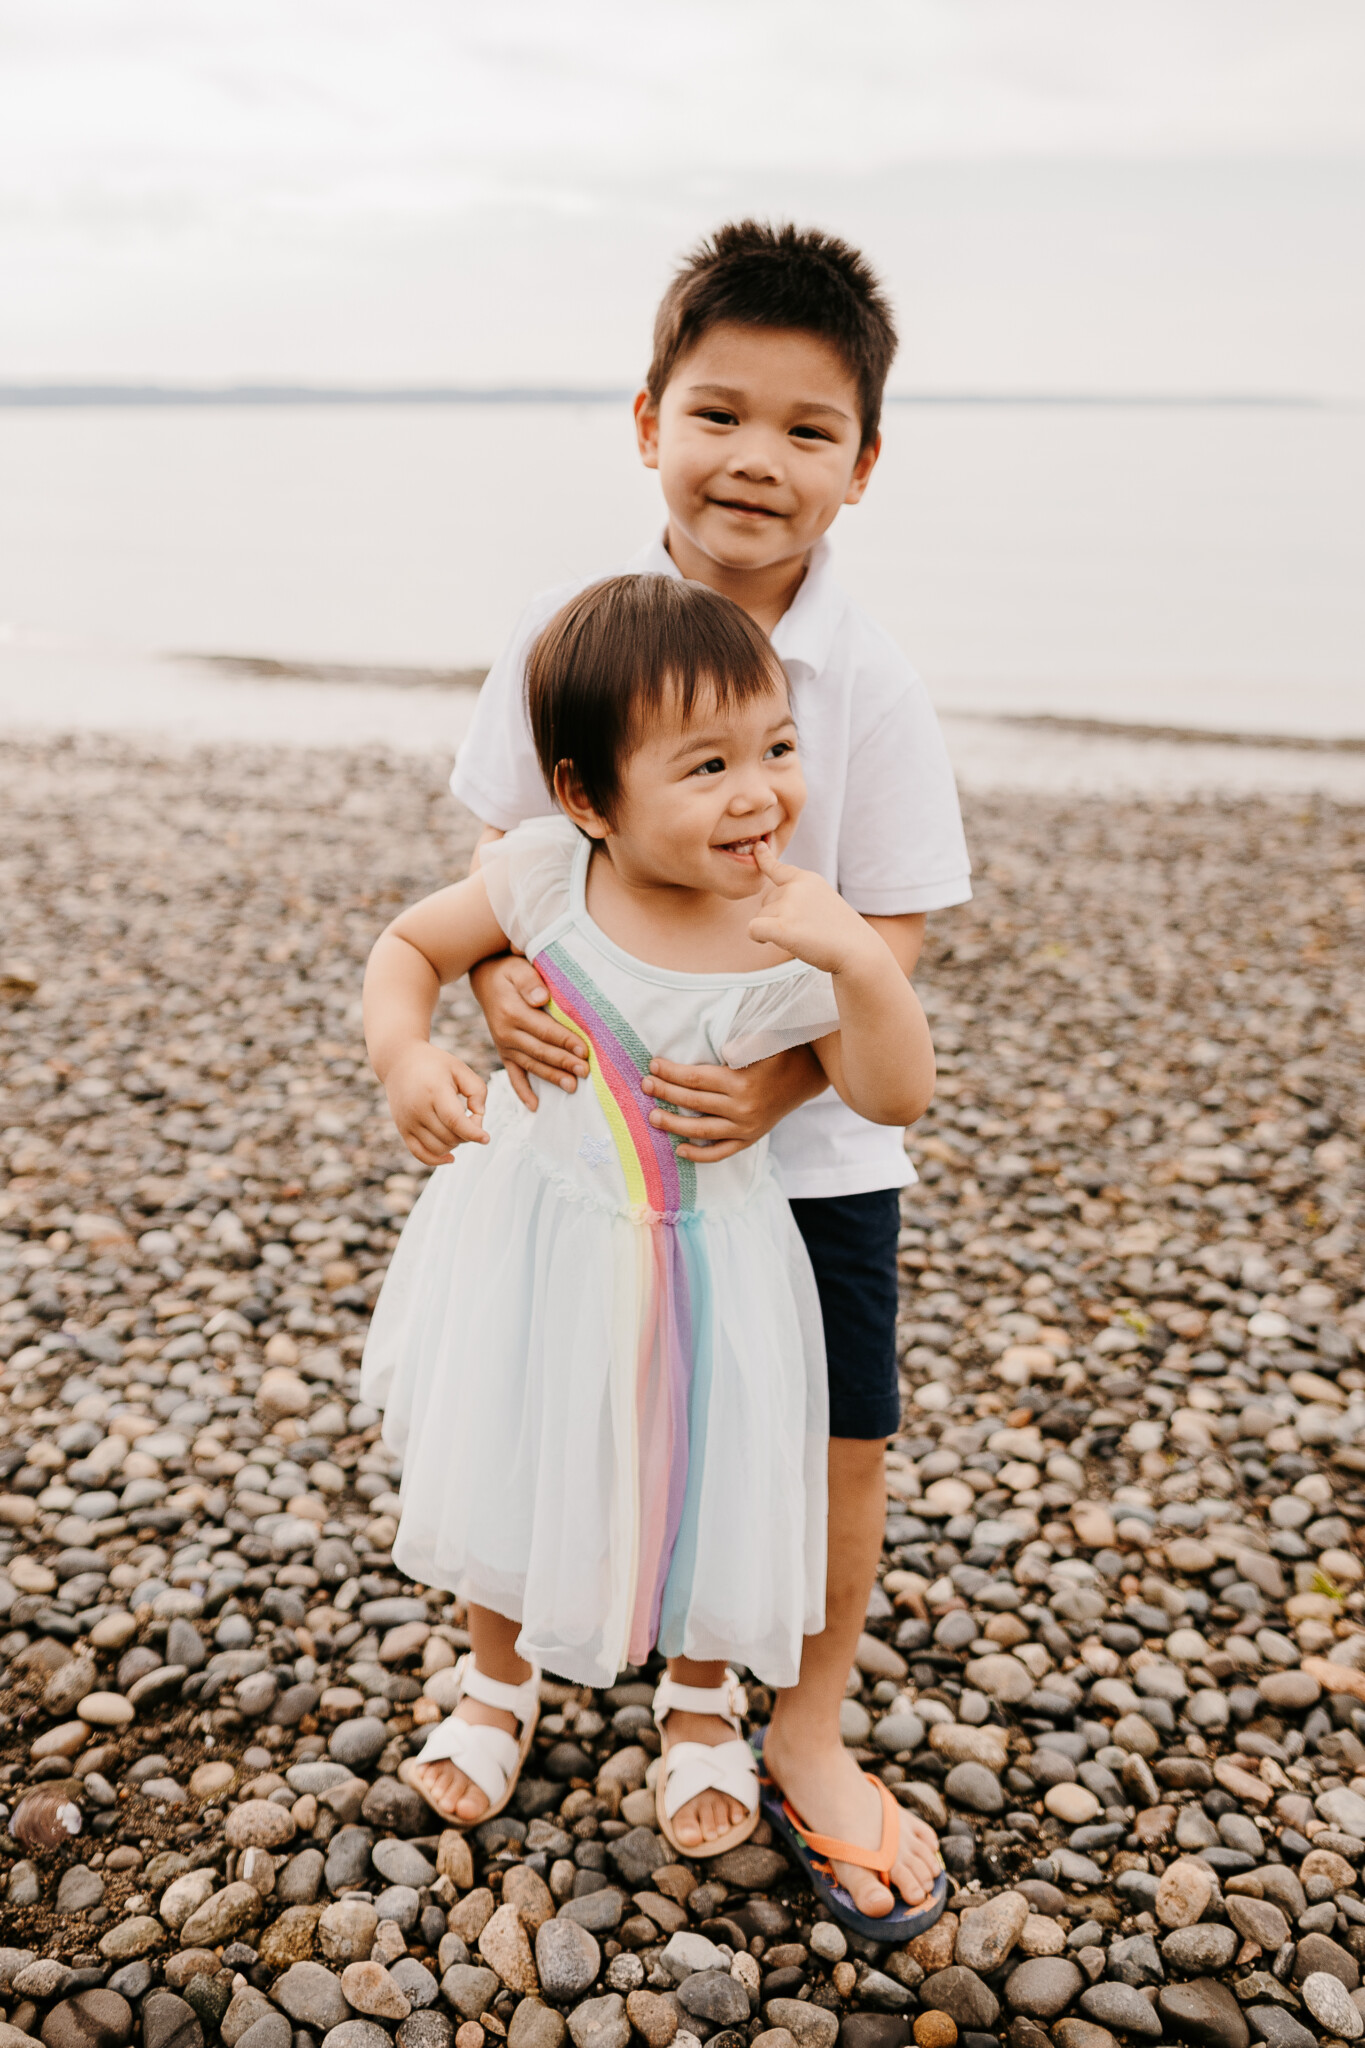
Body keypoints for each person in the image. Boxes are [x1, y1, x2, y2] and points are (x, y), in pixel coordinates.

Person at [447, 222, 971, 1925]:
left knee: (826, 1438)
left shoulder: (867, 684)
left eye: (808, 430)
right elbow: (510, 855)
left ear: (862, 466)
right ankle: (532, 1665)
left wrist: (788, 1090)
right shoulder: (567, 632)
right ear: (646, 420)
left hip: (799, 1152)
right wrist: (514, 988)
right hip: (598, 1144)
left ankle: (799, 1728)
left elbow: (889, 927)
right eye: (719, 413)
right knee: (566, 1394)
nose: (757, 459)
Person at [360, 575, 944, 1930]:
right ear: (588, 796)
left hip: (712, 1268)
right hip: (538, 1249)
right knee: (521, 1451)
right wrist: (404, 1053)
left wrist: (858, 967)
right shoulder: (540, 878)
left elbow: (893, 1091)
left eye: (777, 750)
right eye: (708, 767)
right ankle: (495, 1684)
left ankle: (699, 1703)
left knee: (705, 1475)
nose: (759, 793)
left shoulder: (787, 923)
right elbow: (410, 944)